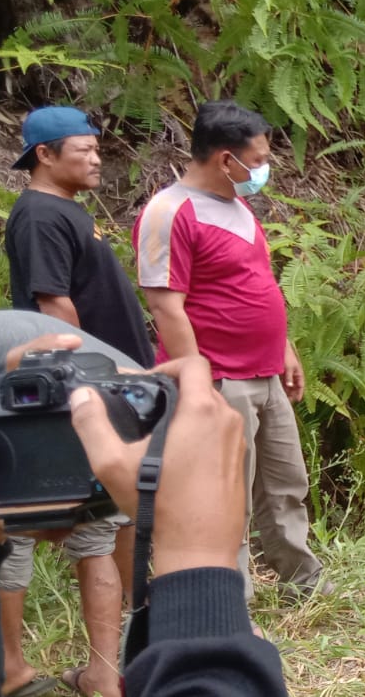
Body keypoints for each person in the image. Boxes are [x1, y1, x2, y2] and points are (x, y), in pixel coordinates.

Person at [0, 315, 289, 694]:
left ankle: (89, 671)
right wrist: (200, 564)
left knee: (94, 544)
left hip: (108, 420)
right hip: (106, 416)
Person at [132, 100, 328, 601]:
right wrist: (197, 382)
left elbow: (256, 281)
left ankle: (301, 581)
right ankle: (229, 597)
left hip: (265, 373)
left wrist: (283, 347)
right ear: (225, 159)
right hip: (219, 379)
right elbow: (166, 306)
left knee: (285, 483)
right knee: (225, 494)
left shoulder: (238, 208)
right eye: (258, 159)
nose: (264, 169)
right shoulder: (169, 212)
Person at [0, 106, 158, 697]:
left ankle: (103, 669)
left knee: (99, 524)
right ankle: (12, 668)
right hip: (70, 391)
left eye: (97, 147)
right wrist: (92, 380)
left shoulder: (65, 211)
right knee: (19, 524)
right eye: (83, 149)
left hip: (93, 389)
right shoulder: (40, 213)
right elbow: (54, 308)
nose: (96, 157)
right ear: (44, 155)